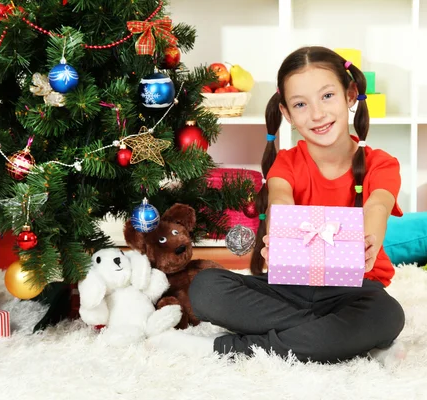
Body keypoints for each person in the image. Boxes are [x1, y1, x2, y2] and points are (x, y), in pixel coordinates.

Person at [148, 46, 406, 364]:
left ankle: (234, 348)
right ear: (287, 114)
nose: (317, 114)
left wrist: (368, 240)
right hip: (291, 287)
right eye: (301, 104)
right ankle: (346, 339)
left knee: (388, 315)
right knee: (206, 288)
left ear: (350, 95)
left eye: (328, 96)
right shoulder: (285, 164)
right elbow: (280, 200)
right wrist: (280, 238)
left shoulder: (381, 164)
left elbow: (378, 205)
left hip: (355, 289)